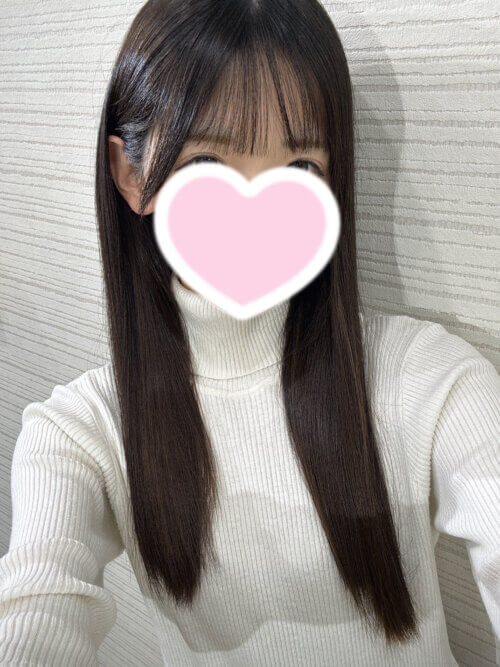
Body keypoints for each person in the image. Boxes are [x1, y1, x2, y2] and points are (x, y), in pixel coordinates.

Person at [1, 0, 499, 665]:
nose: (256, 209)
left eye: (300, 167)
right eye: (206, 160)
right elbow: (38, 604)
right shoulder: (81, 432)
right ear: (132, 174)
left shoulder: (433, 379)